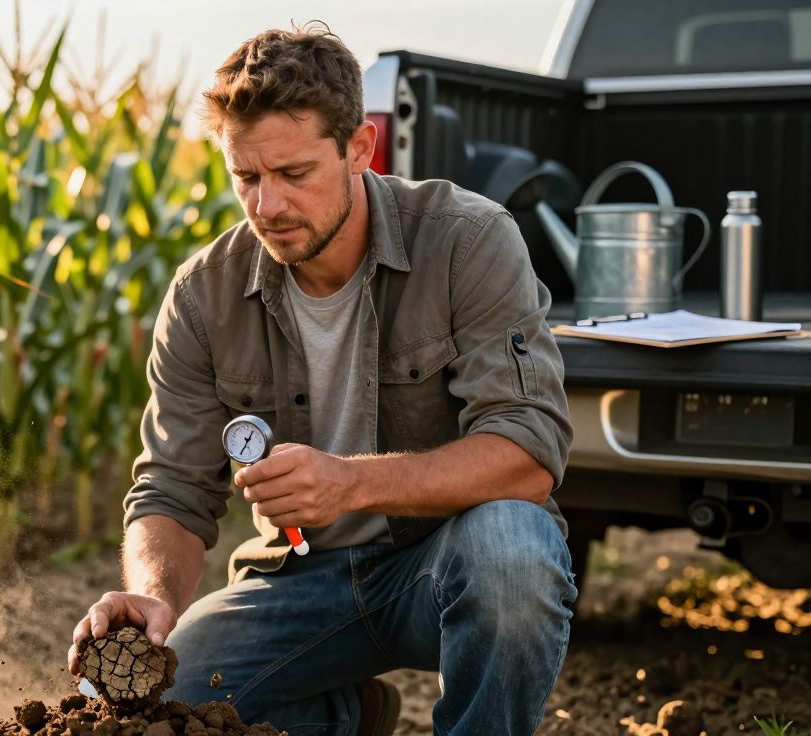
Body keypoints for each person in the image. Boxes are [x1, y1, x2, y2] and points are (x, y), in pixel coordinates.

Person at [68, 22, 577, 736]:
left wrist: (351, 482)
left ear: (359, 150)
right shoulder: (202, 294)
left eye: (294, 174)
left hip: (441, 566)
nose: (266, 207)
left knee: (514, 552)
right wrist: (152, 596)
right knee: (134, 709)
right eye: (245, 178)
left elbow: (529, 454)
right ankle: (344, 716)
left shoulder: (467, 238)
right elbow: (173, 488)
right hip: (295, 584)